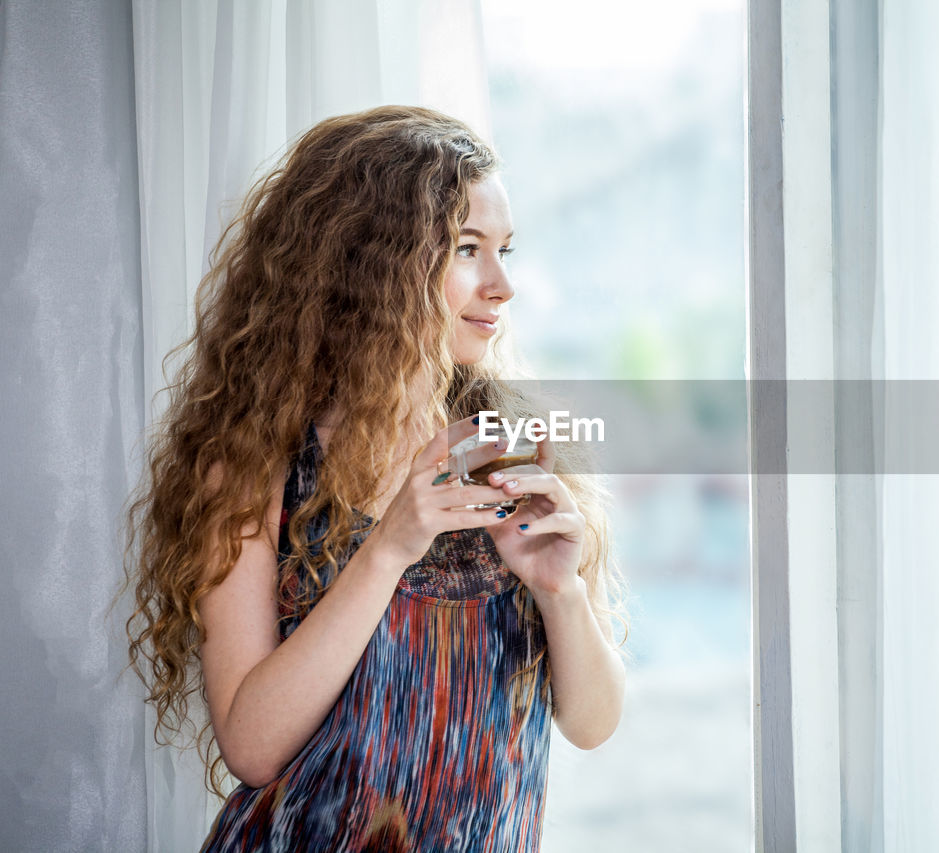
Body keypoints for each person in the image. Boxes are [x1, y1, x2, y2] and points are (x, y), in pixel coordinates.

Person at [123, 105, 627, 851]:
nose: (501, 286)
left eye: (505, 251)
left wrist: (563, 591)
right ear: (373, 265)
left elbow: (592, 723)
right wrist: (387, 549)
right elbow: (251, 744)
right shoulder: (253, 464)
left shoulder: (509, 446)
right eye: (466, 249)